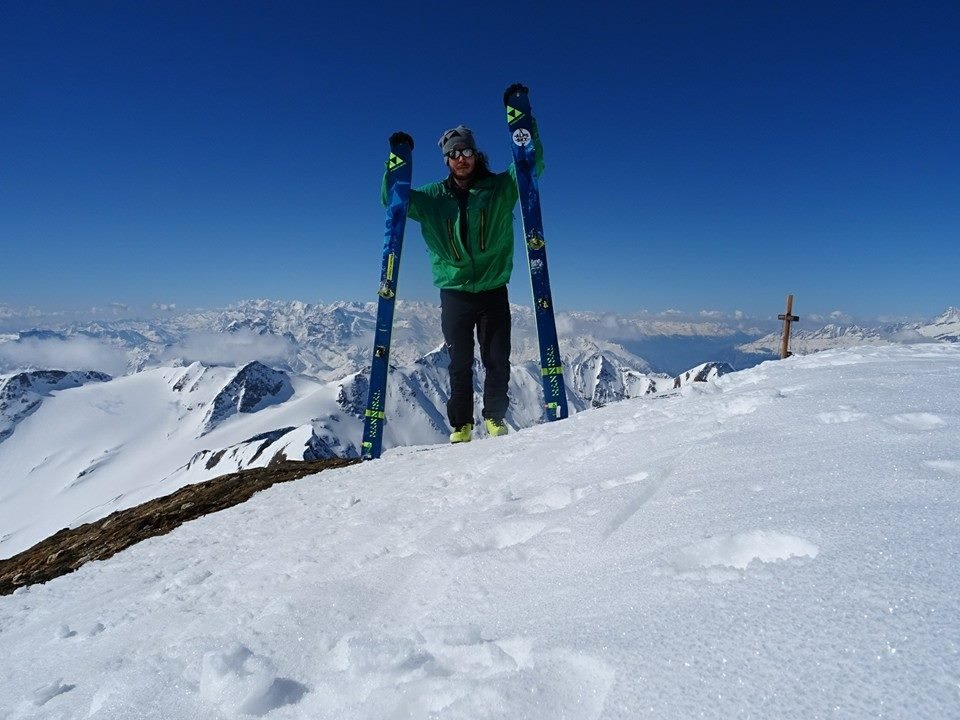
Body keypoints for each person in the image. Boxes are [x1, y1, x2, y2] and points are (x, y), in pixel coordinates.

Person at [385, 83, 543, 444]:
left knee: (497, 359)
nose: (462, 158)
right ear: (446, 159)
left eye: (467, 150)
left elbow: (532, 165)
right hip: (454, 293)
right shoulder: (431, 199)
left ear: (476, 154)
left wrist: (523, 123)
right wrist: (395, 163)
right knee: (459, 363)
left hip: (493, 290)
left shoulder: (500, 189)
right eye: (454, 153)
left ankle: (494, 419)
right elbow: (392, 199)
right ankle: (461, 426)